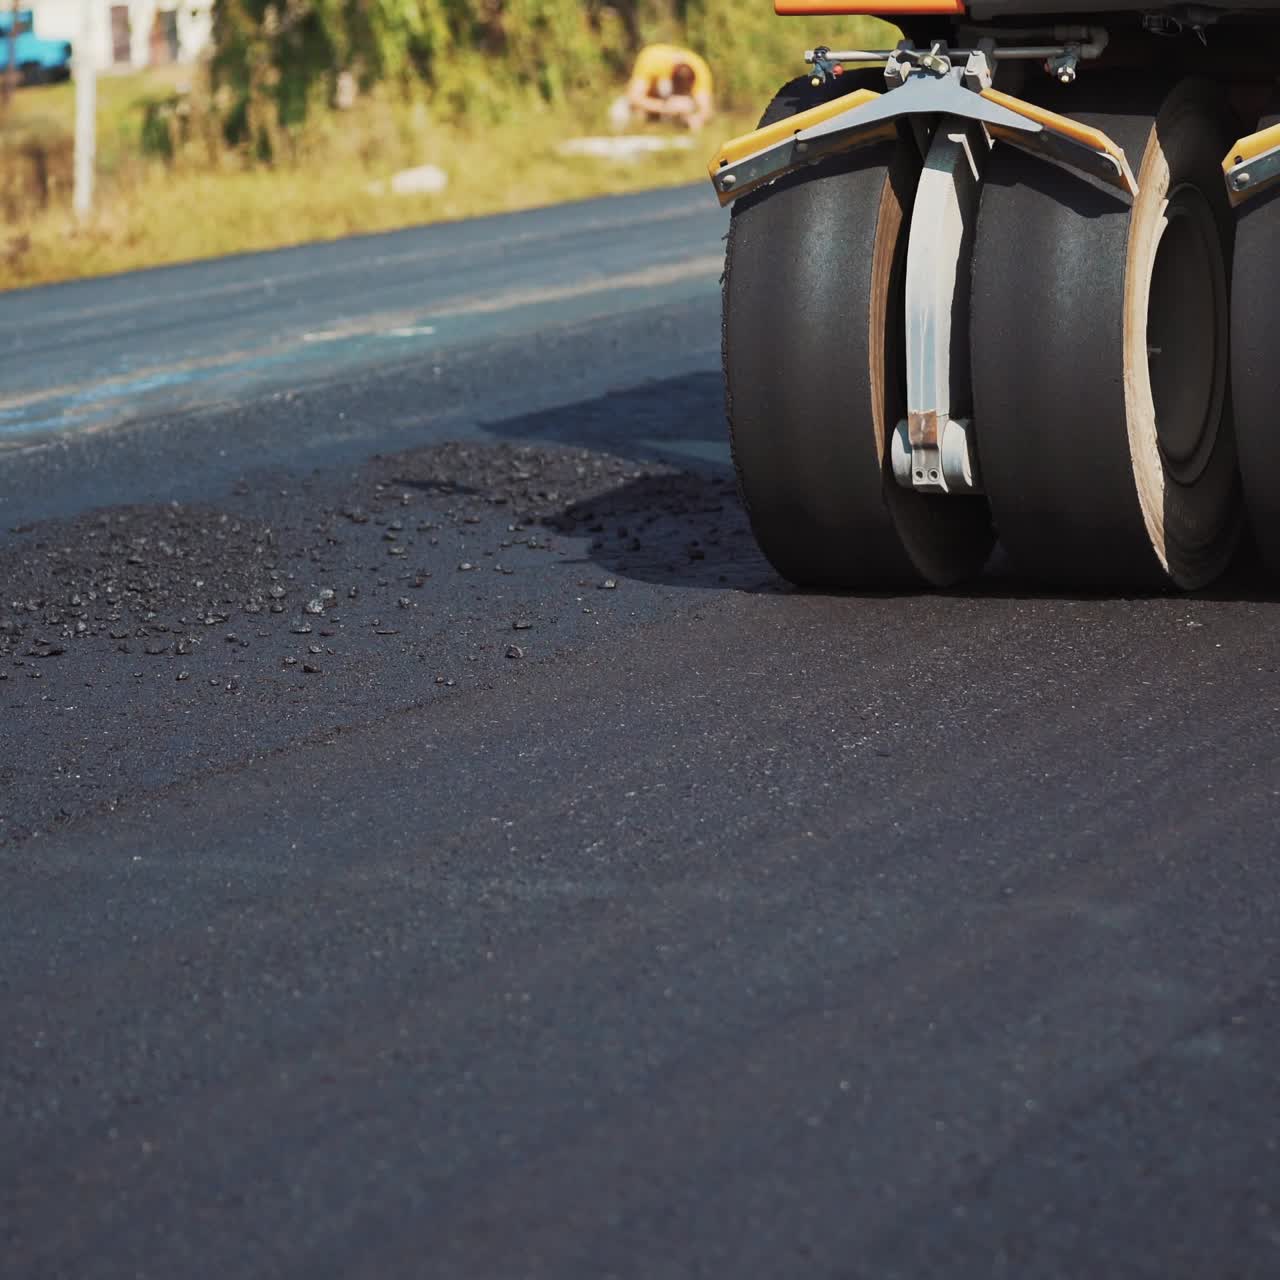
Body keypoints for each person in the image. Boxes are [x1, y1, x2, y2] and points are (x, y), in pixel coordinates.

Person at [609, 44, 715, 132]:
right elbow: (633, 98)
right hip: (651, 103)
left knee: (685, 107)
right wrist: (666, 108)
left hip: (674, 108)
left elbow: (706, 109)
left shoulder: (699, 68)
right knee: (619, 111)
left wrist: (696, 119)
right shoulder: (652, 59)